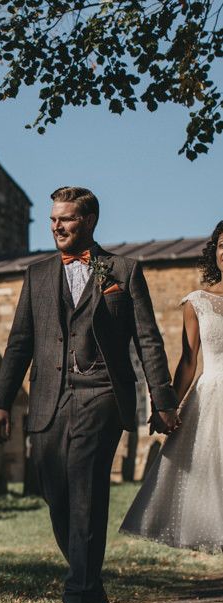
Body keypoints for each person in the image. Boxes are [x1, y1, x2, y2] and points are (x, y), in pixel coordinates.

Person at [0, 186, 179, 603]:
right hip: (49, 396)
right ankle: (92, 589)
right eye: (53, 219)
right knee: (58, 499)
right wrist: (0, 402)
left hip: (102, 393)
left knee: (86, 492)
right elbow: (18, 345)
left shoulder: (123, 271)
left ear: (89, 221)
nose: (56, 226)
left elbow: (147, 339)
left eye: (66, 219)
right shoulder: (35, 276)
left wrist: (163, 399)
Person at [120, 221, 223, 549]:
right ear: (215, 251)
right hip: (213, 402)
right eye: (222, 245)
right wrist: (168, 407)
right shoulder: (198, 302)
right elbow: (189, 361)